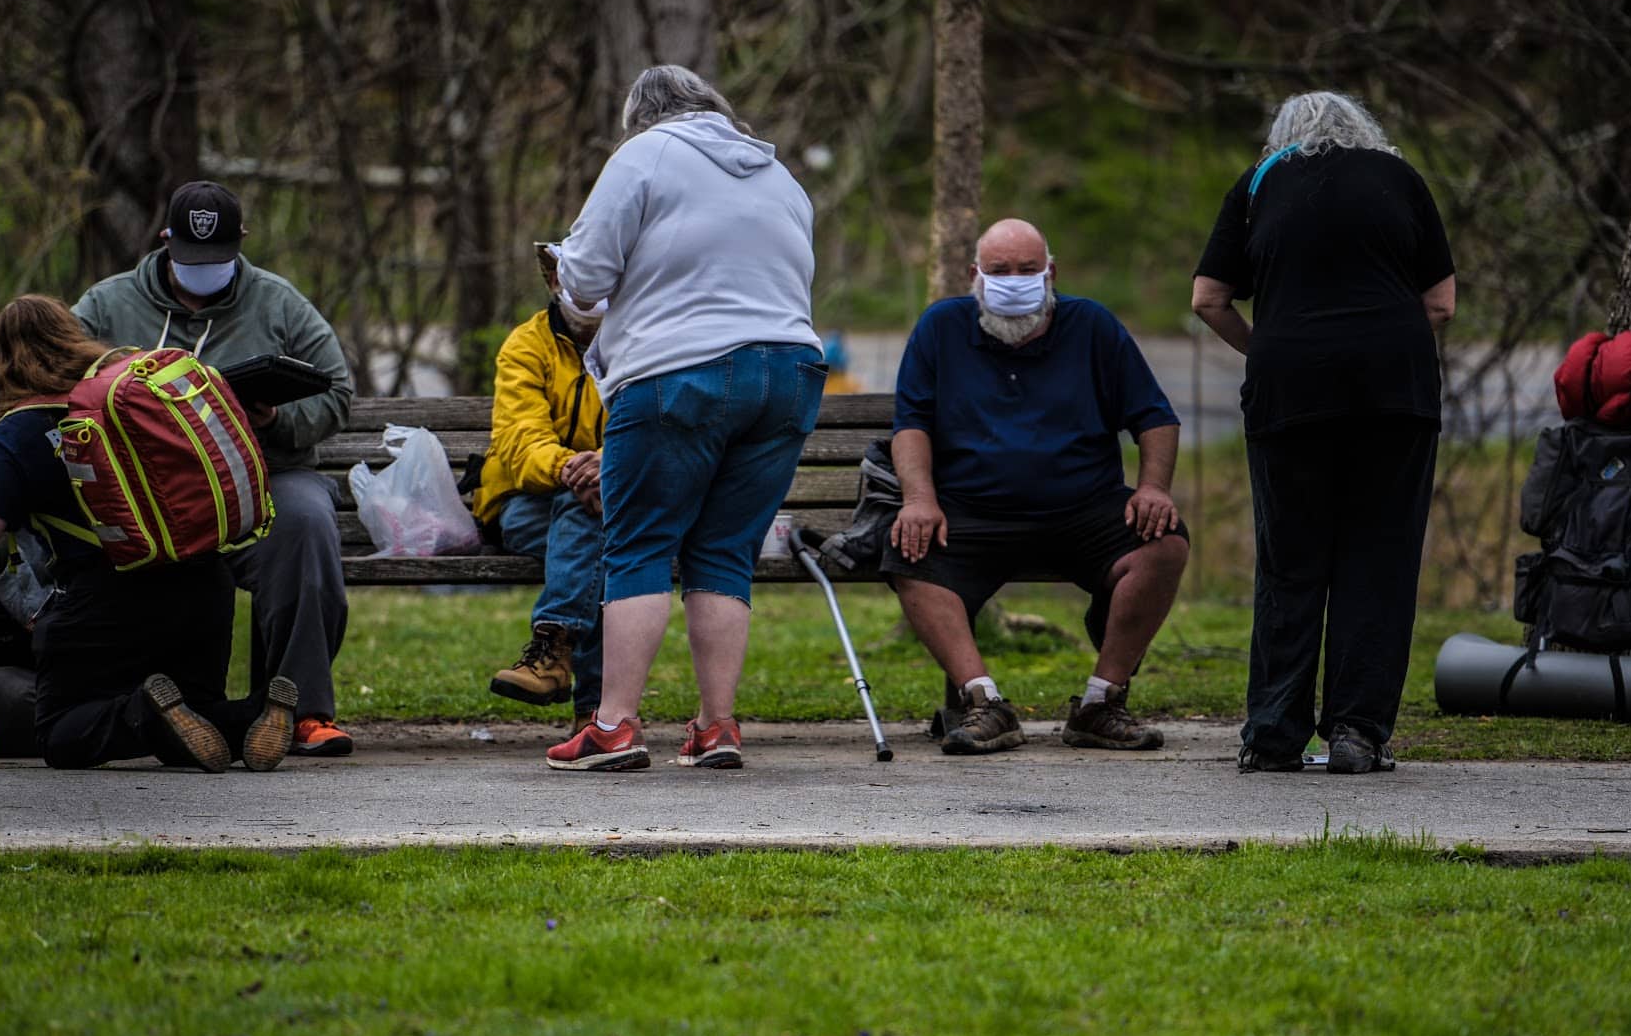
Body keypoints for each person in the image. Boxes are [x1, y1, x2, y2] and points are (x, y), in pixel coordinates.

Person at [543, 64, 824, 773]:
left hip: (680, 373)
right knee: (725, 552)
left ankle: (613, 727)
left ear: (641, 115)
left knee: (636, 546)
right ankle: (717, 727)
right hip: (790, 373)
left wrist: (573, 288)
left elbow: (584, 279)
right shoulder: (779, 175)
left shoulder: (642, 156)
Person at [0, 296, 296, 771]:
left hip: (106, 600)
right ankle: (253, 716)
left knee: (63, 735)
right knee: (195, 715)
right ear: (73, 337)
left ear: (0, 362)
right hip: (203, 583)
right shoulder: (131, 402)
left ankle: (145, 711)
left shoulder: (15, 435)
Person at [1190, 90, 1457, 775]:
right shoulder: (1401, 179)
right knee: (1380, 560)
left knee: (1291, 560)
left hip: (1290, 393)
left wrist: (1274, 348)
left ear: (1281, 139)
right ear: (1366, 131)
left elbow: (1209, 299)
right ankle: (1358, 733)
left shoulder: (1259, 183)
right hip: (1395, 395)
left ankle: (1274, 733)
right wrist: (1379, 346)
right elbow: (1440, 301)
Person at [73, 181, 358, 758]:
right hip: (147, 492)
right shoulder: (107, 305)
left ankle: (298, 710)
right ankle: (127, 706)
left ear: (242, 243)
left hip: (262, 479)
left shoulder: (280, 303)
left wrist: (277, 417)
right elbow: (57, 383)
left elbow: (338, 394)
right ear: (165, 240)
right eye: (190, 259)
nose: (204, 272)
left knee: (306, 520)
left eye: (218, 260)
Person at [886, 218, 1190, 756]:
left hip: (1084, 507)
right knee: (909, 557)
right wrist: (919, 499)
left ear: (1050, 273)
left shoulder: (1092, 325)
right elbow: (912, 424)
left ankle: (1101, 703)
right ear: (974, 275)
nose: (1013, 280)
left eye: (1027, 270)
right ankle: (984, 703)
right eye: (999, 271)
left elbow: (1155, 418)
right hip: (971, 511)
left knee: (1164, 544)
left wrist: (1154, 488)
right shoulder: (940, 327)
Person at [475, 242, 609, 728]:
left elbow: (656, 426)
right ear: (554, 282)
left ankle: (551, 650)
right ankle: (600, 714)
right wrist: (575, 470)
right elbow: (519, 439)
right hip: (530, 503)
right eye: (578, 279)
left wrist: (610, 467)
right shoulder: (526, 345)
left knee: (595, 530)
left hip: (615, 498)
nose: (592, 292)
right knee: (596, 529)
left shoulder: (643, 342)